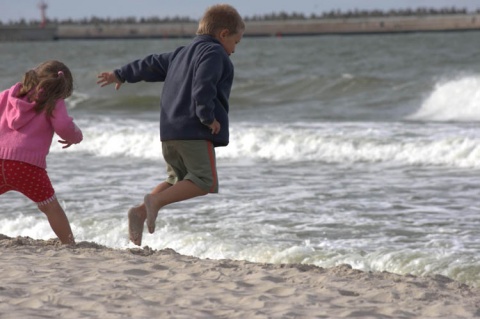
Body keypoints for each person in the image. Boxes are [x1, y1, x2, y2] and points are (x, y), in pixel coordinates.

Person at [97, 4, 245, 246]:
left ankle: (140, 211)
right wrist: (207, 117)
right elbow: (203, 85)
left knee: (176, 179)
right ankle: (154, 202)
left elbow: (151, 64)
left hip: (169, 131)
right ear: (223, 34)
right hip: (195, 130)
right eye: (236, 43)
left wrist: (121, 74)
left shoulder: (181, 53)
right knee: (203, 180)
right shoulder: (215, 53)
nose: (234, 50)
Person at [0, 60, 83, 245]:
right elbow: (63, 125)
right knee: (50, 206)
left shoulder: (9, 95)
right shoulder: (54, 101)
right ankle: (69, 244)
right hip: (27, 166)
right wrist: (76, 136)